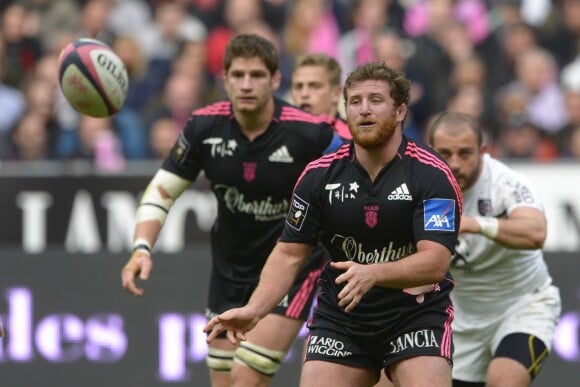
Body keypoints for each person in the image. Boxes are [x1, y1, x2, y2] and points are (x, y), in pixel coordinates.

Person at [205, 61, 463, 387]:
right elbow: (289, 254)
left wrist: (373, 273)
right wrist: (255, 310)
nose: (364, 110)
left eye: (375, 100)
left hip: (415, 315)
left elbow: (435, 263)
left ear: (400, 111)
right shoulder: (318, 175)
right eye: (355, 101)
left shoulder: (432, 174)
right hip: (342, 317)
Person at [120, 33, 343, 387]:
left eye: (256, 75)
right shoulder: (202, 128)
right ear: (224, 79)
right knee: (224, 383)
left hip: (293, 269)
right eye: (238, 75)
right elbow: (161, 192)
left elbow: (363, 171)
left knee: (245, 379)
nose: (246, 84)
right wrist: (141, 248)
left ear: (275, 80)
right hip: (229, 273)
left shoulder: (311, 133)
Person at [428, 111, 562, 387]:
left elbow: (536, 232)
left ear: (482, 151)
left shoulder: (506, 182)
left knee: (505, 380)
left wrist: (476, 225)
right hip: (459, 322)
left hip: (523, 307)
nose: (454, 164)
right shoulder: (420, 187)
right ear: (431, 152)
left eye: (464, 154)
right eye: (445, 153)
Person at [290, 52, 350, 140]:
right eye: (298, 87)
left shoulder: (352, 141)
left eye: (314, 86)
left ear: (336, 93)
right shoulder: (280, 136)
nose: (304, 94)